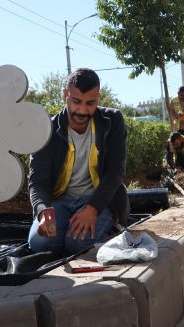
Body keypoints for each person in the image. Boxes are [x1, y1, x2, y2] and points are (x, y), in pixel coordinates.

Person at [28, 68, 129, 255]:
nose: (82, 111)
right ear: (65, 95)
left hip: (99, 200)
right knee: (39, 244)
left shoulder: (113, 120)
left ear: (98, 98)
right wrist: (43, 212)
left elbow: (115, 172)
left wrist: (92, 209)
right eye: (76, 102)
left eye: (90, 103)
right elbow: (37, 181)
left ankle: (111, 226)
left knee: (77, 245)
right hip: (60, 201)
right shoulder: (46, 130)